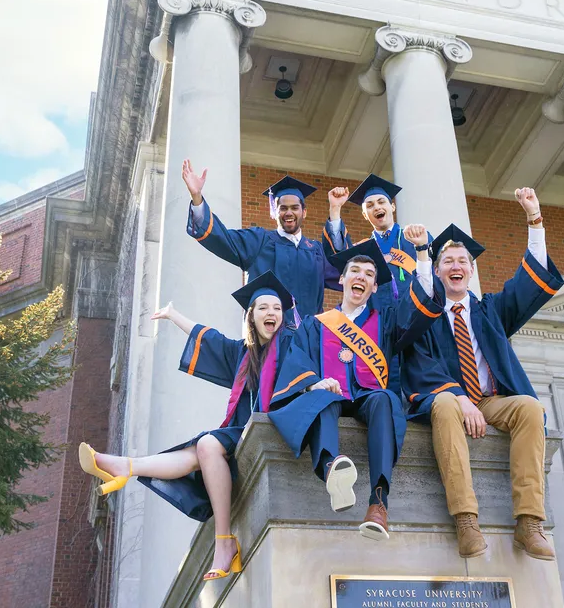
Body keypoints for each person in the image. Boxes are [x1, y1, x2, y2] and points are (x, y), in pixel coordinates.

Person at [78, 272, 297, 581]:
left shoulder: (292, 345)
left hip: (278, 426)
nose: (271, 313)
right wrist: (171, 315)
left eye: (276, 307)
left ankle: (223, 543)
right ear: (251, 316)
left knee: (206, 444)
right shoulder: (242, 354)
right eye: (263, 307)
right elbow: (207, 337)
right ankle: (126, 466)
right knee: (203, 447)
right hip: (238, 434)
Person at [404, 188, 564, 561]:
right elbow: (419, 365)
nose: (456, 266)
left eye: (462, 260)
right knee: (444, 404)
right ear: (438, 270)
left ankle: (529, 522)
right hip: (448, 399)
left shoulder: (489, 309)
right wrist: (460, 397)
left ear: (471, 270)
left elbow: (530, 285)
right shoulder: (425, 315)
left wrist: (534, 220)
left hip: (491, 401)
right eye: (448, 261)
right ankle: (466, 520)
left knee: (528, 407)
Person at [268, 235, 443, 541]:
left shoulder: (386, 320)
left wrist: (422, 255)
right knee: (321, 399)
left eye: (369, 275)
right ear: (343, 279)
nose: (361, 277)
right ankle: (332, 470)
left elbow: (420, 305)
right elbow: (298, 362)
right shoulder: (315, 324)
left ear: (375, 287)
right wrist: (314, 382)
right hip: (330, 395)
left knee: (386, 399)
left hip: (367, 395)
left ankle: (378, 503)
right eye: (355, 272)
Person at [182, 160, 339, 322]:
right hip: (267, 340)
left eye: (294, 208)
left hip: (308, 341)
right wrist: (197, 197)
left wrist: (335, 210)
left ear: (304, 212)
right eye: (283, 208)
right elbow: (223, 238)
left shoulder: (317, 251)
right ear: (274, 212)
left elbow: (348, 273)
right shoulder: (259, 241)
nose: (289, 213)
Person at [324, 174, 434, 392]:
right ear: (365, 215)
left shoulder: (414, 238)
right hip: (377, 325)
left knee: (421, 381)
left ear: (392, 206)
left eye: (382, 202)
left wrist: (422, 243)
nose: (377, 207)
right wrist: (335, 211)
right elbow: (340, 255)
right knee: (383, 385)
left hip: (415, 319)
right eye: (370, 205)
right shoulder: (364, 248)